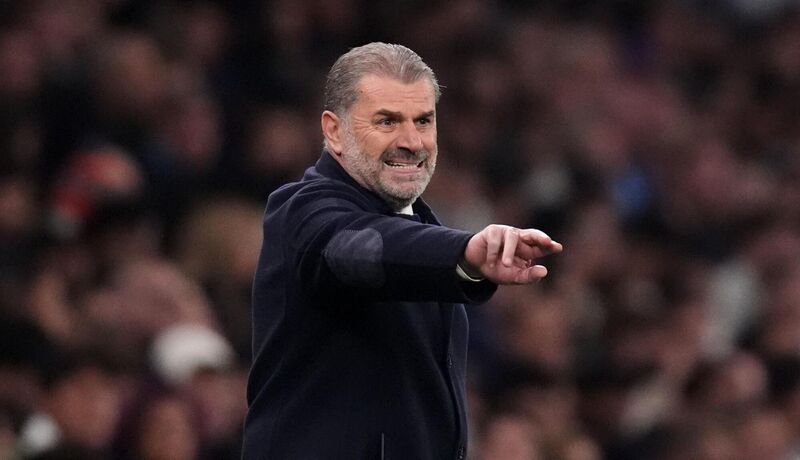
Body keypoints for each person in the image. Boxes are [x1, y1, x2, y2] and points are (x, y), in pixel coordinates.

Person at [242, 42, 563, 460]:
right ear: (334, 131)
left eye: (423, 120)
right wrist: (466, 251)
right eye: (387, 121)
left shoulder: (423, 227)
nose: (412, 141)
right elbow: (358, 249)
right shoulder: (302, 210)